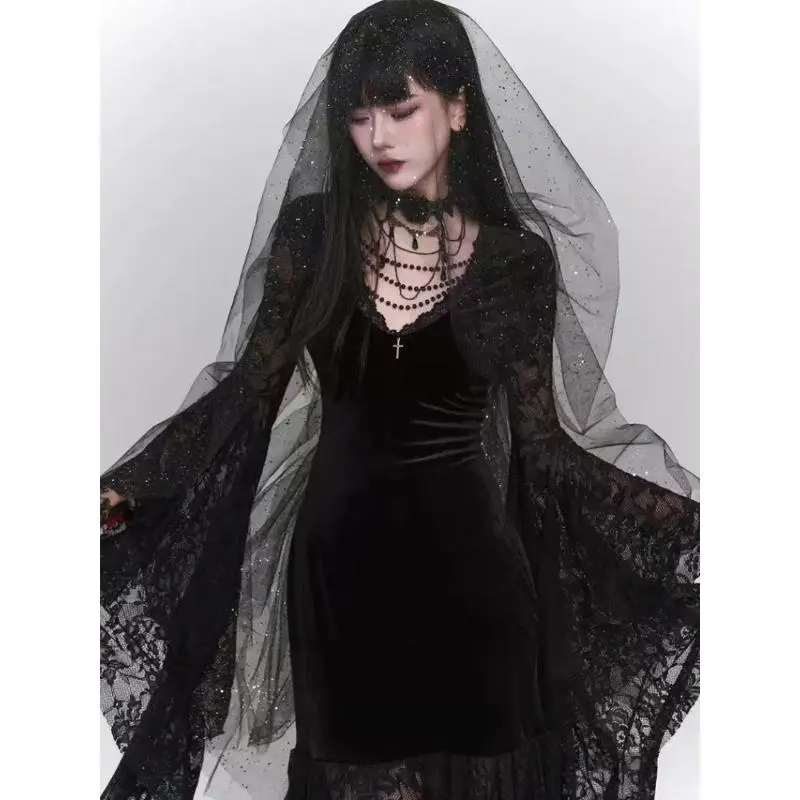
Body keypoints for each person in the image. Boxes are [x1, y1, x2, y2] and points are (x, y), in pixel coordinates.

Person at [100, 2, 700, 799]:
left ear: (458, 108)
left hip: (474, 587)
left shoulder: (515, 263)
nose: (378, 136)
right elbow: (246, 393)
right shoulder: (313, 236)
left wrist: (689, 531)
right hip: (338, 584)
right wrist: (131, 486)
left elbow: (547, 451)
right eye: (358, 116)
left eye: (400, 108)